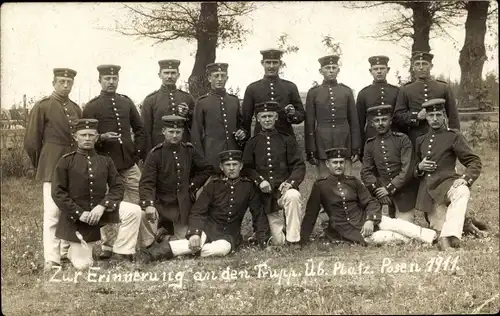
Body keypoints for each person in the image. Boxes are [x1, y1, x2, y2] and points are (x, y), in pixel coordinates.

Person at [136, 150, 269, 263]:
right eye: (228, 165)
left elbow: (258, 214)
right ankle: (152, 255)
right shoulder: (213, 185)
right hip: (207, 228)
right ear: (221, 167)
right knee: (194, 242)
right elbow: (197, 212)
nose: (232, 168)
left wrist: (263, 240)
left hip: (229, 234)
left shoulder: (248, 187)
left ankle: (176, 247)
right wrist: (195, 233)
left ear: (241, 166)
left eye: (235, 164)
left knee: (222, 249)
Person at [51, 119, 142, 270]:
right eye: (83, 135)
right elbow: (58, 192)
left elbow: (117, 187)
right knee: (84, 266)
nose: (87, 138)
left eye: (91, 135)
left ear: (97, 137)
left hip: (101, 211)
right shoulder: (66, 161)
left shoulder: (105, 160)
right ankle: (68, 251)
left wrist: (102, 206)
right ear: (75, 137)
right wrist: (79, 213)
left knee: (134, 211)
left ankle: (122, 253)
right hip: (79, 217)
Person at [300, 147, 437, 246]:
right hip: (348, 229)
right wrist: (302, 239)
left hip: (366, 218)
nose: (339, 166)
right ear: (327, 164)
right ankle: (418, 242)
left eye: (341, 162)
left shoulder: (352, 181)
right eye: (335, 162)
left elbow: (370, 202)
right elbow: (311, 214)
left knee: (396, 224)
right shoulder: (320, 186)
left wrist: (370, 220)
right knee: (385, 237)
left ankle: (432, 237)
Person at [82, 64, 146, 259]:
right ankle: (108, 246)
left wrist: (136, 154)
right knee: (110, 205)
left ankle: (143, 244)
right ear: (99, 80)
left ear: (118, 80)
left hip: (129, 165)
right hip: (106, 166)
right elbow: (85, 136)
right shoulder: (92, 106)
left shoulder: (126, 102)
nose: (111, 82)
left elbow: (140, 129)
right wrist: (100, 138)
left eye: (114, 79)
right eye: (107, 79)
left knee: (141, 201)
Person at [24, 68, 81, 271]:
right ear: (53, 83)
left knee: (71, 210)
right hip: (51, 166)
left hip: (73, 167)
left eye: (69, 82)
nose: (65, 85)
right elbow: (32, 141)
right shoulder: (43, 106)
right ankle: (52, 258)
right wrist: (42, 162)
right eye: (62, 81)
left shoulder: (75, 108)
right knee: (52, 213)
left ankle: (66, 252)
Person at [414, 98, 482, 251]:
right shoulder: (420, 140)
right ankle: (467, 223)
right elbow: (413, 170)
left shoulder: (454, 136)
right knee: (440, 224)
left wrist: (465, 179)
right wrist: (420, 166)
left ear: (444, 115)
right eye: (431, 116)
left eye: (439, 114)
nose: (435, 119)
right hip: (429, 195)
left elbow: (474, 161)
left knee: (463, 191)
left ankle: (445, 240)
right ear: (426, 117)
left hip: (448, 185)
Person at [138, 115, 214, 248]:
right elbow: (146, 183)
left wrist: (192, 185)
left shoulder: (188, 150)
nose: (174, 135)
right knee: (145, 217)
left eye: (178, 132)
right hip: (161, 203)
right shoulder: (155, 154)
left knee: (188, 241)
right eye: (171, 132)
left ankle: (164, 237)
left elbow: (207, 168)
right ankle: (156, 237)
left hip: (182, 205)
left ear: (182, 132)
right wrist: (149, 204)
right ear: (163, 132)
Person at [242, 101, 305, 246]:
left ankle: (294, 240)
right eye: (263, 117)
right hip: (265, 196)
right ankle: (280, 236)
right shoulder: (252, 143)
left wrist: (291, 182)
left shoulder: (287, 140)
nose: (267, 120)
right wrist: (259, 181)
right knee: (278, 242)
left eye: (270, 116)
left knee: (294, 196)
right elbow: (246, 168)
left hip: (283, 191)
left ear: (276, 117)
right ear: (258, 119)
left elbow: (299, 165)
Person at [304, 54, 361, 176]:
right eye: (327, 68)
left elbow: (354, 122)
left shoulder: (346, 91)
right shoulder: (314, 93)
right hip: (322, 141)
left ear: (338, 70)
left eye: (334, 67)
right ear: (321, 71)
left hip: (344, 139)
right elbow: (309, 124)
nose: (331, 70)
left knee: (347, 179)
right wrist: (311, 150)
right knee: (324, 181)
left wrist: (355, 146)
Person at [360, 105, 418, 222]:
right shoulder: (370, 144)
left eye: (384, 119)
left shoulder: (402, 140)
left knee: (405, 228)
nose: (380, 123)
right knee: (383, 229)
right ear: (372, 123)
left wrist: (389, 188)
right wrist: (379, 191)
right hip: (382, 194)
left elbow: (407, 170)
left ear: (390, 121)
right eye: (377, 120)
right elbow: (366, 171)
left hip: (403, 193)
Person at [393, 51, 460, 144]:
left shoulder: (443, 87)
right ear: (413, 67)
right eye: (417, 64)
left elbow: (453, 116)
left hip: (441, 137)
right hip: (415, 138)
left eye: (424, 64)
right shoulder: (405, 89)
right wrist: (416, 117)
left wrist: (454, 138)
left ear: (431, 66)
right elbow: (398, 115)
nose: (421, 67)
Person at [191, 62, 248, 169]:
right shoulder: (202, 102)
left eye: (223, 76)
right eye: (216, 76)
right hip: (212, 155)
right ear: (209, 78)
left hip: (233, 153)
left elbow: (241, 125)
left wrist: (242, 133)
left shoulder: (234, 100)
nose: (220, 79)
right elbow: (196, 134)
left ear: (227, 78)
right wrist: (201, 160)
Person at [241, 49, 305, 138]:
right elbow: (246, 120)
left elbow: (301, 115)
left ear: (280, 63)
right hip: (261, 140)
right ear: (262, 63)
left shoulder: (290, 87)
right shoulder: (252, 88)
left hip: (286, 138)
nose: (271, 66)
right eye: (268, 62)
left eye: (275, 62)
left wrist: (292, 114)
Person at [141, 59, 195, 153]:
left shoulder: (187, 98)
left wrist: (187, 115)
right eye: (166, 73)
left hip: (183, 149)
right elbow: (146, 130)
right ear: (160, 75)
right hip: (160, 149)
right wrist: (149, 153)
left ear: (178, 75)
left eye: (173, 73)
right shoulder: (150, 100)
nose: (170, 76)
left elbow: (195, 126)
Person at [356, 55, 401, 158]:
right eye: (376, 69)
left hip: (394, 138)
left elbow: (400, 117)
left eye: (382, 68)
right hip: (372, 138)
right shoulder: (364, 93)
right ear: (370, 71)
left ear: (388, 70)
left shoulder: (397, 91)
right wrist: (361, 146)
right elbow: (360, 122)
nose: (379, 71)